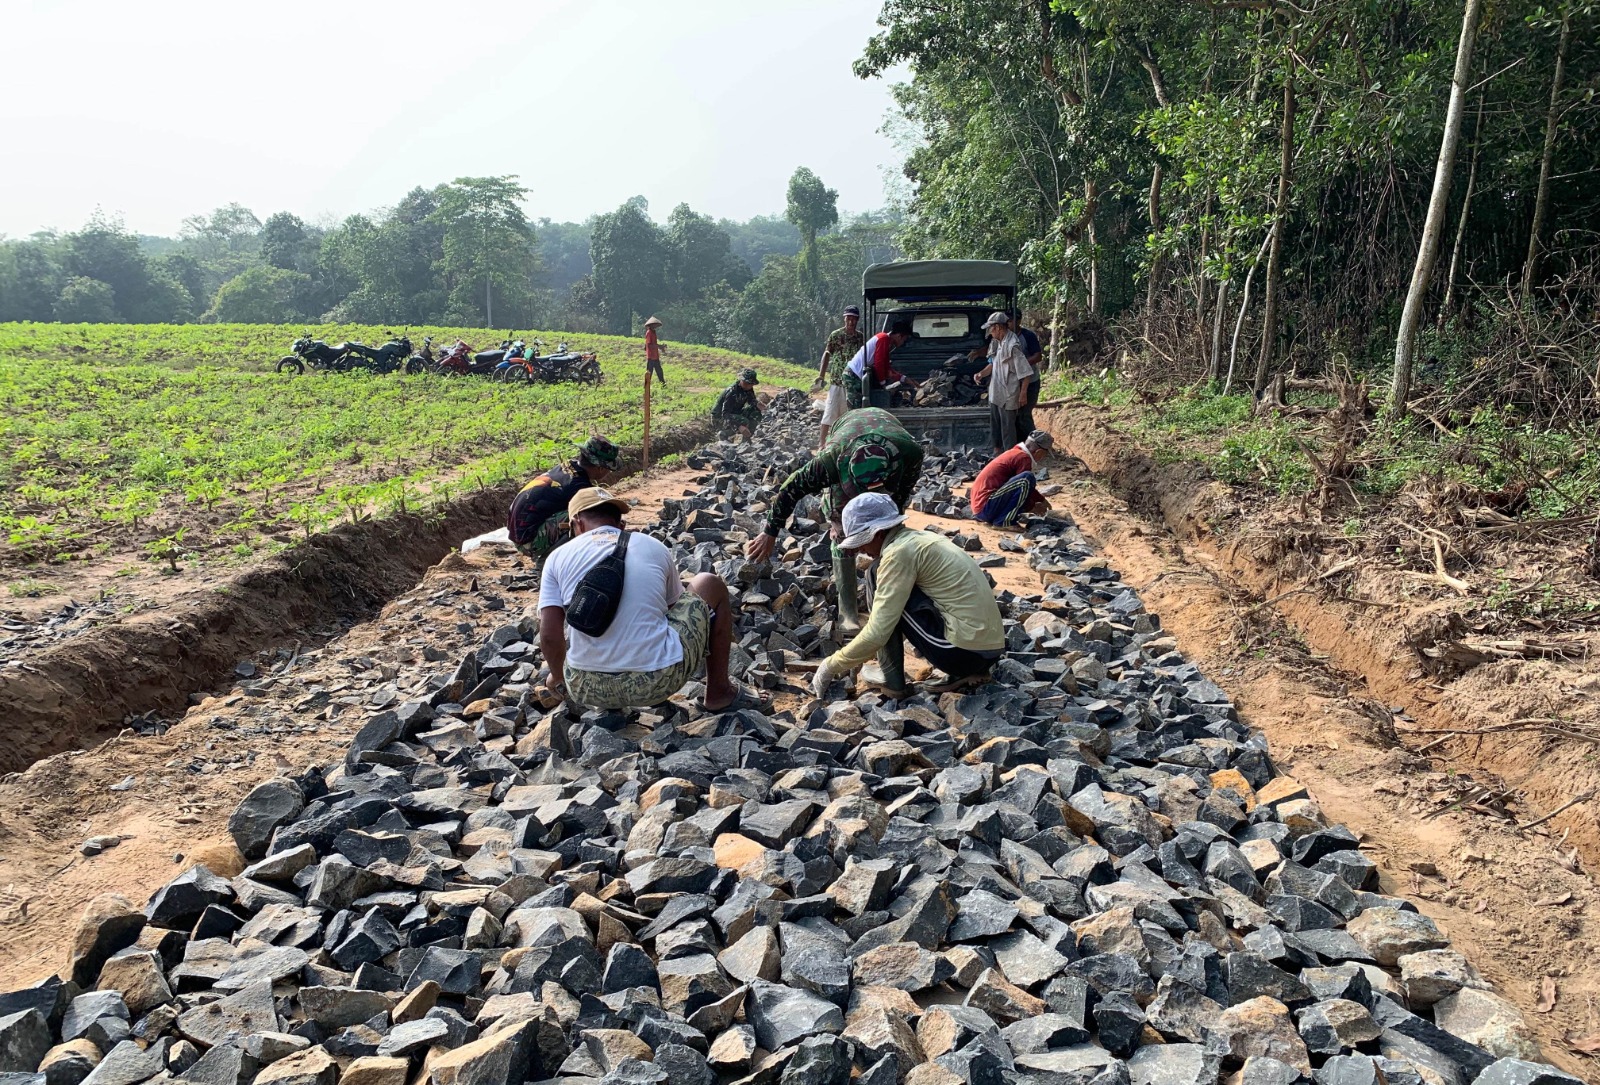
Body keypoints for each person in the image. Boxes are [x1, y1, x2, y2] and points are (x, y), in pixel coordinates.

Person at [538, 488, 767, 712]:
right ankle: (719, 693)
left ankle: (611, 707)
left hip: (586, 689)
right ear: (621, 525)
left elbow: (549, 637)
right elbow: (673, 610)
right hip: (657, 682)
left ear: (576, 523)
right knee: (708, 583)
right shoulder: (652, 546)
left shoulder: (556, 558)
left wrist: (558, 676)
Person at [745, 407, 924, 632]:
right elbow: (790, 488)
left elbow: (899, 503)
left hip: (889, 432)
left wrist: (885, 535)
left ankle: (892, 598)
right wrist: (769, 531)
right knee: (841, 529)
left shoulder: (910, 454)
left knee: (890, 528)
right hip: (847, 430)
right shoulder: (830, 461)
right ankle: (847, 611)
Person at [811, 492, 1006, 699]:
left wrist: (829, 666)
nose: (861, 550)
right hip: (990, 651)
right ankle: (968, 672)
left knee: (876, 576)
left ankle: (892, 680)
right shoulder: (921, 539)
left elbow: (878, 632)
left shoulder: (898, 554)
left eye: (861, 542)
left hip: (961, 653)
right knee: (890, 587)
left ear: (878, 533)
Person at [507, 436, 621, 562]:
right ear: (601, 468)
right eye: (609, 469)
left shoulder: (568, 466)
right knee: (587, 516)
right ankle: (548, 560)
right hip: (527, 540)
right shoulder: (577, 486)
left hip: (518, 532)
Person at [974, 312, 1031, 455]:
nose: (990, 332)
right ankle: (997, 451)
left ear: (998, 327)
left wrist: (1023, 394)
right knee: (996, 424)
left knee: (1007, 427)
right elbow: (993, 364)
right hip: (996, 391)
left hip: (1008, 393)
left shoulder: (1013, 346)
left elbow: (1026, 373)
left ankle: (1009, 455)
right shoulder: (997, 342)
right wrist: (981, 373)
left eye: (991, 328)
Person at [970, 430, 1053, 527]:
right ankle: (1005, 522)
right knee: (1027, 478)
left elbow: (1018, 490)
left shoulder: (1015, 452)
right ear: (1039, 452)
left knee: (1025, 482)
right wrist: (1034, 506)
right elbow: (1025, 486)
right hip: (985, 507)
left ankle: (1001, 518)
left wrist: (1040, 500)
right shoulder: (1023, 458)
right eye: (1044, 454)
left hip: (981, 507)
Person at [817, 305, 865, 448]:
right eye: (848, 319)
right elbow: (827, 354)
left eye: (854, 319)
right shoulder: (836, 335)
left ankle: (846, 443)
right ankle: (821, 444)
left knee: (850, 414)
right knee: (830, 412)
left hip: (854, 383)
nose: (851, 322)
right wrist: (821, 376)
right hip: (837, 381)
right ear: (844, 319)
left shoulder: (860, 338)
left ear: (857, 320)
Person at [844, 318, 916, 410]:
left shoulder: (887, 342)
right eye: (904, 340)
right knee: (856, 409)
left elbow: (887, 368)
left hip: (857, 376)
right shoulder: (883, 339)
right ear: (899, 336)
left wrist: (904, 378)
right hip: (853, 375)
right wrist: (883, 385)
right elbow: (879, 364)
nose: (903, 343)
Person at [712, 369, 763, 437]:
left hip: (734, 413)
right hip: (720, 417)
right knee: (743, 421)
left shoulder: (748, 389)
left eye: (750, 384)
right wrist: (739, 426)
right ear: (741, 381)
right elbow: (725, 414)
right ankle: (724, 434)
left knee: (755, 412)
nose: (748, 386)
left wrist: (758, 405)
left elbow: (752, 401)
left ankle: (747, 437)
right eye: (746, 383)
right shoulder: (732, 392)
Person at [1016, 319, 1044, 436]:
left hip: (1030, 382)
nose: (1008, 324)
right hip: (1014, 383)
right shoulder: (1005, 337)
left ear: (1018, 321)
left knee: (1024, 415)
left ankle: (1034, 442)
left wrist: (1021, 364)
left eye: (1010, 321)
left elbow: (1038, 356)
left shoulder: (1028, 336)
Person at [643, 315, 665, 385]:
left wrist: (660, 346)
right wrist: (659, 346)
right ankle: (646, 386)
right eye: (654, 325)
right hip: (651, 356)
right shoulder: (649, 333)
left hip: (655, 356)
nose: (655, 326)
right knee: (649, 372)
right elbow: (649, 345)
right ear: (651, 325)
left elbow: (650, 344)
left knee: (659, 371)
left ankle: (663, 385)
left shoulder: (653, 332)